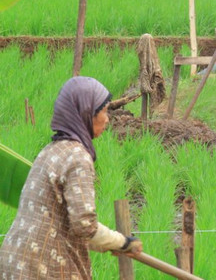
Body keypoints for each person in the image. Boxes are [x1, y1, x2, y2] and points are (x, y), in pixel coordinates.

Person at [0, 77, 144, 279]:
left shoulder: (50, 151)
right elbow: (84, 225)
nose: (107, 118)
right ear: (86, 112)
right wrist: (123, 242)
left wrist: (111, 244)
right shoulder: (77, 157)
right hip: (42, 268)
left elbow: (66, 224)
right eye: (103, 110)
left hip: (13, 261)